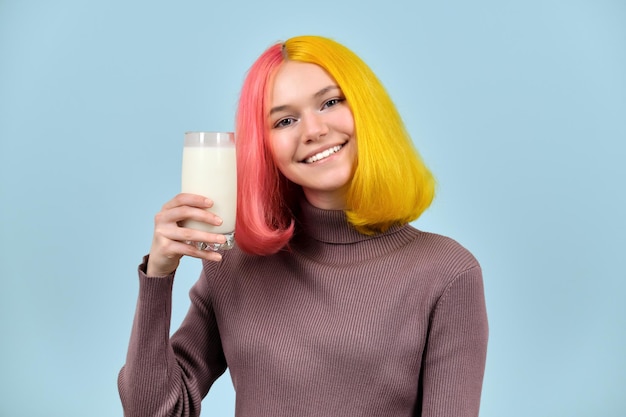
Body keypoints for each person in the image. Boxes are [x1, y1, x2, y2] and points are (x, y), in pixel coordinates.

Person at [118, 35, 488, 417]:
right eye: (285, 120)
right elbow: (154, 411)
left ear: (367, 109)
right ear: (265, 147)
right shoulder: (236, 264)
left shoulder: (447, 271)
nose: (313, 130)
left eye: (330, 102)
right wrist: (158, 277)